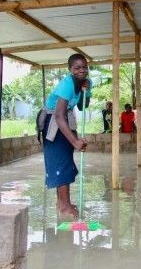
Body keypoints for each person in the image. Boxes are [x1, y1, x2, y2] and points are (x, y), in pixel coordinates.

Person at [42, 53, 92, 219]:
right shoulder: (67, 84)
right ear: (70, 69)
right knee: (61, 163)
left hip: (66, 120)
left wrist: (87, 90)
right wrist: (75, 141)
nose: (82, 70)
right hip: (54, 122)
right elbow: (58, 115)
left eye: (84, 67)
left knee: (65, 162)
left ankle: (63, 203)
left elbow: (82, 105)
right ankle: (64, 207)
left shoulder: (85, 83)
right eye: (77, 68)